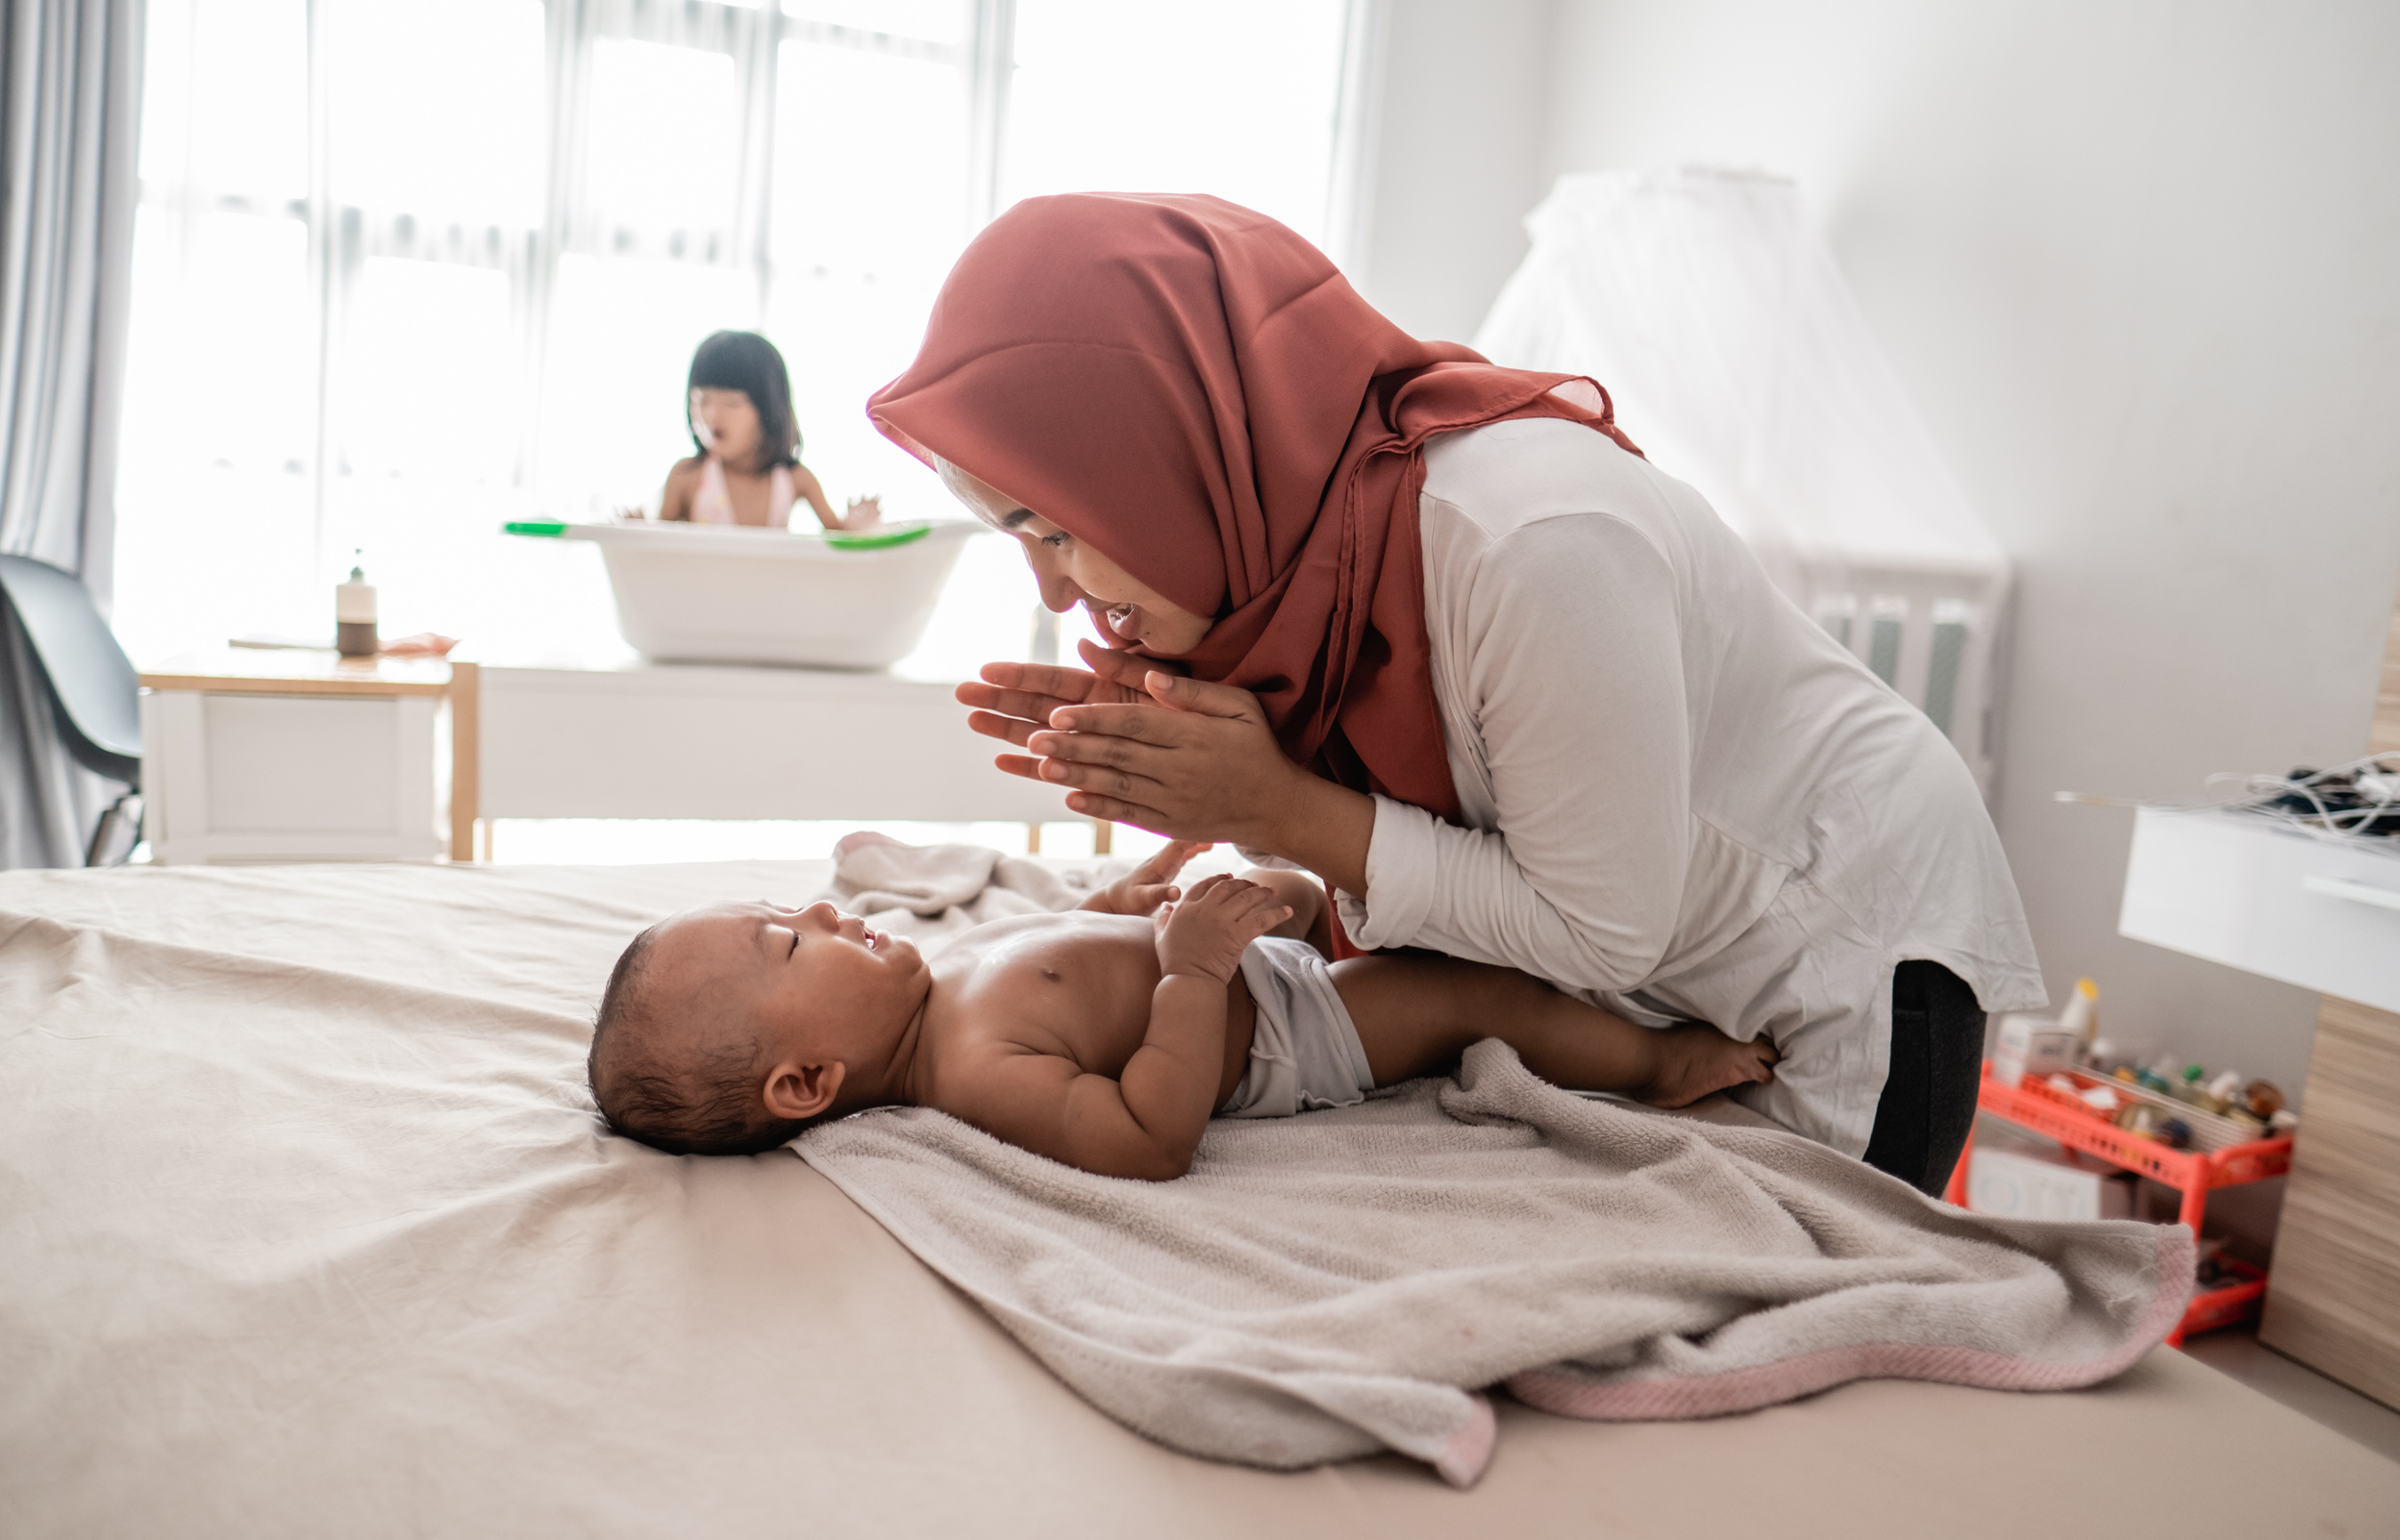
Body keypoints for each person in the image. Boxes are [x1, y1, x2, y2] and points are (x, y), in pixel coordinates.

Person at [865, 193, 2046, 1195]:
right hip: (1647, 983)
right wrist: (1222, 761)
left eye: (1058, 528)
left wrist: (1279, 806)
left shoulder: (1532, 541)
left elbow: (1598, 924)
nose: (1055, 591)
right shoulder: (1303, 566)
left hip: (1830, 960)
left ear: (1165, 454)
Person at [587, 840, 1776, 1176]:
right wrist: (1193, 973)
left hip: (1227, 961)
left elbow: (1066, 946)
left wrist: (1124, 902)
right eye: (790, 940)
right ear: (805, 1082)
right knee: (1473, 990)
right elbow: (1148, 1137)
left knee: (1329, 877)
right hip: (1287, 1031)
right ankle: (1651, 1061)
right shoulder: (976, 1066)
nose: (825, 909)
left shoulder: (932, 981)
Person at [643, 331, 881, 531]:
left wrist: (858, 524)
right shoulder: (687, 476)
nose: (713, 415)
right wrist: (637, 529)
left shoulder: (796, 478)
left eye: (732, 403)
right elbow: (657, 548)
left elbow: (837, 537)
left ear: (769, 410)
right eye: (702, 401)